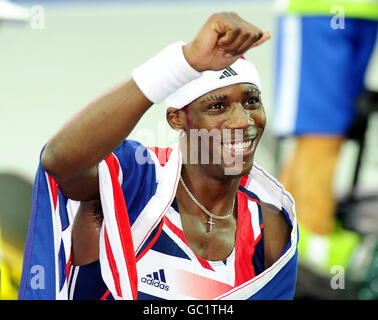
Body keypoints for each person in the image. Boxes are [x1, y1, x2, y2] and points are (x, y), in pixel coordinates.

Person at [19, 12, 298, 300]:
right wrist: (181, 63)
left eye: (252, 101)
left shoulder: (268, 228)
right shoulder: (134, 183)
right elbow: (58, 161)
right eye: (217, 106)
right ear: (177, 118)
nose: (243, 121)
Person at [273, 0, 378, 272]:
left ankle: (293, 232)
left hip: (366, 11)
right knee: (320, 130)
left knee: (338, 127)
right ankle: (313, 240)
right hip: (317, 10)